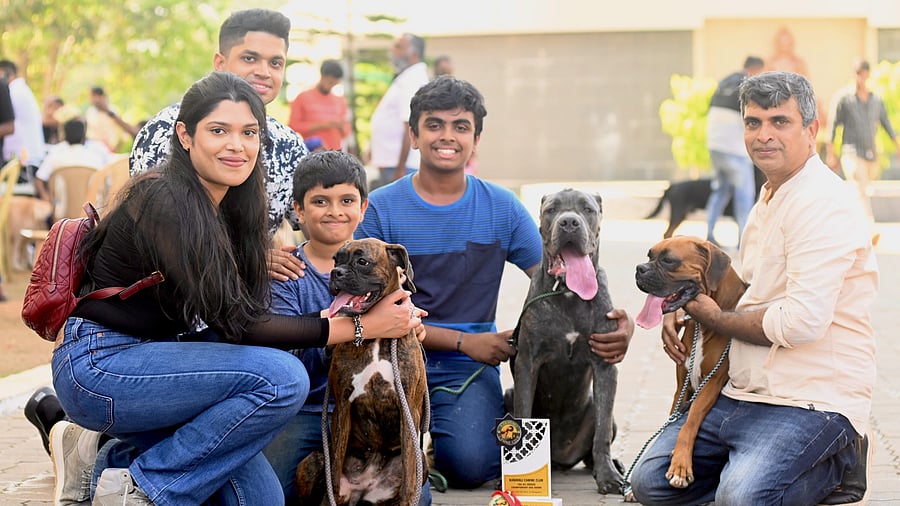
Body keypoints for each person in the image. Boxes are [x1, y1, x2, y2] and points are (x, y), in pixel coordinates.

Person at [48, 71, 423, 506]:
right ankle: (142, 488)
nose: (236, 145)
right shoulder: (162, 198)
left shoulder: (232, 203)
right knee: (283, 380)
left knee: (261, 499)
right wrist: (360, 328)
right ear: (185, 136)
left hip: (165, 364)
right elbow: (241, 326)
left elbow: (237, 322)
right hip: (103, 363)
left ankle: (100, 455)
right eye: (218, 130)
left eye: (249, 132)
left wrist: (384, 320)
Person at [357, 75, 634, 490]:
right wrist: (464, 341)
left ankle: (438, 445)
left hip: (466, 371)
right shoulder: (379, 208)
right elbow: (373, 311)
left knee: (473, 466)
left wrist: (615, 324)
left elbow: (556, 276)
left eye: (461, 127)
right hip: (394, 359)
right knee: (366, 454)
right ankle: (412, 445)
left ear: (476, 139)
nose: (447, 136)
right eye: (434, 125)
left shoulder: (502, 208)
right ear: (413, 135)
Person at [629, 71, 878, 505]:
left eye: (779, 122)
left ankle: (839, 460)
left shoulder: (822, 203)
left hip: (810, 399)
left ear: (811, 130)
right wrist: (677, 303)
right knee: (650, 482)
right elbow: (744, 293)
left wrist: (713, 317)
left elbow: (800, 323)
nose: (764, 135)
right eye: (753, 122)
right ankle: (754, 468)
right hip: (746, 393)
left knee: (740, 497)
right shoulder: (769, 199)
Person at [129, 8, 308, 282]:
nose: (263, 72)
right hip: (168, 296)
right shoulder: (167, 130)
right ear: (220, 63)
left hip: (249, 298)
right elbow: (156, 239)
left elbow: (314, 220)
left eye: (275, 63)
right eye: (250, 58)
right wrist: (253, 261)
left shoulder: (289, 145)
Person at [826, 59, 900, 225]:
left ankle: (847, 221)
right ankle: (868, 225)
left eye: (865, 74)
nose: (862, 78)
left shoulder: (876, 100)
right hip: (851, 152)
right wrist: (831, 154)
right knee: (860, 188)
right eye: (859, 74)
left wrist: (896, 144)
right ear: (854, 75)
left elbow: (886, 123)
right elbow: (833, 127)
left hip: (871, 153)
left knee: (862, 189)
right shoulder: (844, 99)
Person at [704, 55, 764, 248]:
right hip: (735, 150)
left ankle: (709, 234)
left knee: (720, 190)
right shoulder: (748, 84)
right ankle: (743, 243)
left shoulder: (724, 82)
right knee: (744, 195)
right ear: (756, 69)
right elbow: (752, 116)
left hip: (715, 146)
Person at [369, 33, 429, 186]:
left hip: (401, 166)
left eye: (398, 47)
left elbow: (410, 125)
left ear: (413, 53)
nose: (393, 51)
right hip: (394, 163)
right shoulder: (407, 77)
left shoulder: (412, 80)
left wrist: (401, 168)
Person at [34, 116, 111, 202]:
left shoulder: (55, 156)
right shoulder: (95, 159)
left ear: (64, 135)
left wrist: (47, 200)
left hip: (61, 211)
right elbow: (107, 182)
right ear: (84, 136)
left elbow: (39, 179)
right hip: (91, 209)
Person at [0, 59, 46, 193]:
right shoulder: (22, 90)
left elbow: (8, 125)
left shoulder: (14, 91)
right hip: (27, 157)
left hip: (24, 160)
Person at [287, 59, 350, 151]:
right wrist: (322, 125)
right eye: (330, 82)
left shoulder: (340, 101)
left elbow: (346, 132)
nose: (331, 86)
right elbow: (293, 126)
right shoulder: (303, 98)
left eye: (334, 84)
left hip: (335, 152)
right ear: (323, 76)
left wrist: (340, 126)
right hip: (313, 152)